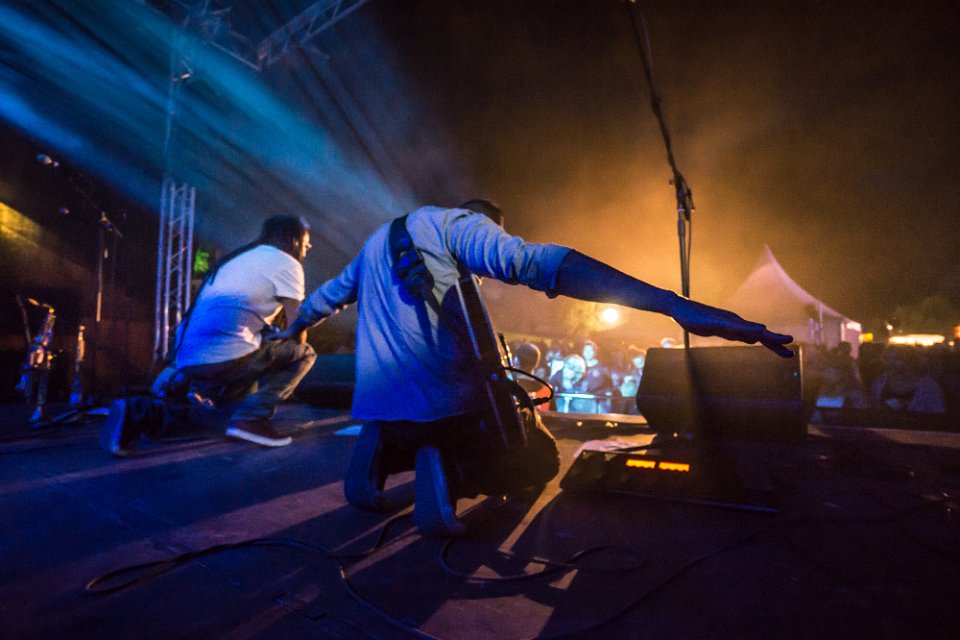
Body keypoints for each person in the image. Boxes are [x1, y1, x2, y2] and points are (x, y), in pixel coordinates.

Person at [275, 201, 792, 535]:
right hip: (442, 409)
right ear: (485, 223)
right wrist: (672, 304)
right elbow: (539, 264)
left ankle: (384, 451)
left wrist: (293, 330)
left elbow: (327, 297)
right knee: (540, 457)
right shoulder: (458, 226)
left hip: (379, 406)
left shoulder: (375, 243)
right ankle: (451, 472)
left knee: (414, 420)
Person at [103, 215, 317, 456]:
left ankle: (137, 413)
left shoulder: (240, 258)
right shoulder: (287, 263)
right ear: (293, 239)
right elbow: (299, 325)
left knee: (219, 423)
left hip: (189, 359)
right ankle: (252, 417)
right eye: (306, 242)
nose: (308, 247)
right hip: (226, 358)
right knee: (304, 354)